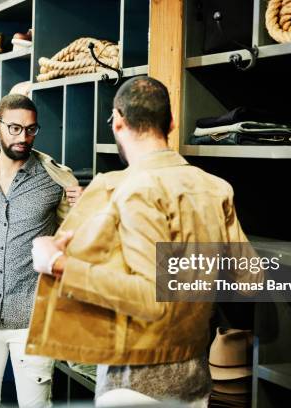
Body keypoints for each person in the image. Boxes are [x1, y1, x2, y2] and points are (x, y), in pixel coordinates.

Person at [27, 76, 264, 407]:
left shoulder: (130, 189)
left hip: (134, 384)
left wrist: (56, 262)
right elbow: (251, 280)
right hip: (195, 381)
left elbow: (149, 295)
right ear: (171, 122)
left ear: (119, 122)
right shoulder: (215, 188)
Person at [0, 93, 82, 408]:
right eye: (15, 128)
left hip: (34, 320)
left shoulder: (54, 180)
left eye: (31, 130)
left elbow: (75, 241)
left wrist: (87, 207)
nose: (24, 137)